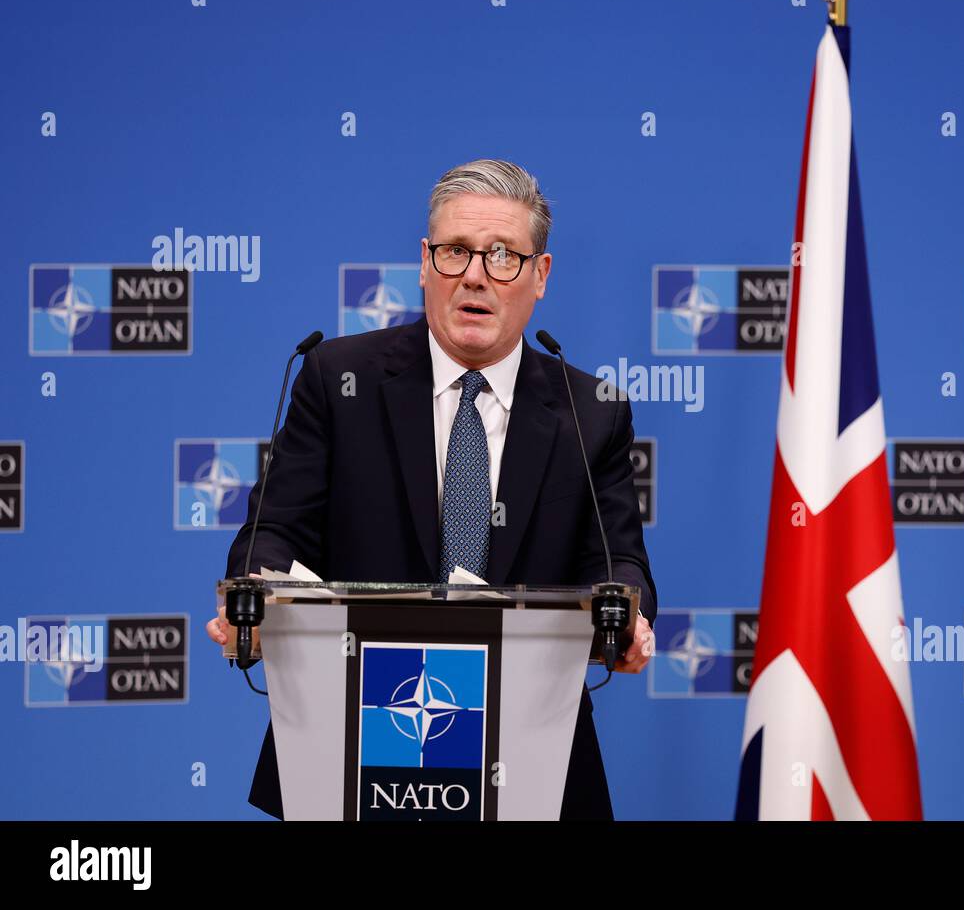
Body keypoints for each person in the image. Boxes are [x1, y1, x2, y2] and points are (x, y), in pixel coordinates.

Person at [206, 158, 656, 820]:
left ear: (541, 276)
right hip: (353, 739)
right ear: (424, 263)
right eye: (456, 252)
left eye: (503, 256)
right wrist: (256, 591)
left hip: (532, 753)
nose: (475, 275)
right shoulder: (339, 381)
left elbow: (618, 560)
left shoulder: (591, 411)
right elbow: (273, 529)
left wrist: (627, 617)